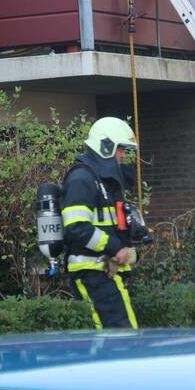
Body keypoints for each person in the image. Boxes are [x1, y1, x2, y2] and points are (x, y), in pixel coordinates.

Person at [61, 117, 139, 329]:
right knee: (121, 340)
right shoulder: (82, 179)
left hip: (106, 272)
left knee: (119, 339)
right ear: (105, 146)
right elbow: (77, 227)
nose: (123, 155)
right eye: (120, 149)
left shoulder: (104, 182)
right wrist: (114, 247)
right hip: (92, 272)